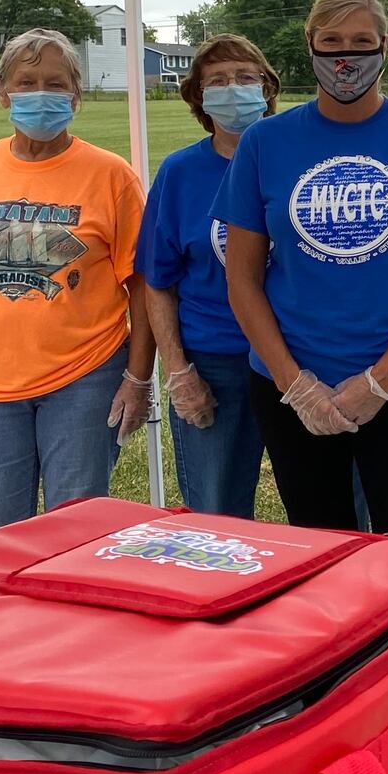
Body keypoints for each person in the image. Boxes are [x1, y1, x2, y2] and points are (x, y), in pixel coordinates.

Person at [212, 0, 388, 538]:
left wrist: (381, 380)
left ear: (384, 48)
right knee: (315, 536)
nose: (346, 56)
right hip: (292, 377)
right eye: (331, 40)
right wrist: (296, 385)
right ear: (309, 45)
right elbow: (241, 277)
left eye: (361, 42)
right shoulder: (265, 141)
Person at [0, 28, 154, 532]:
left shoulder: (111, 174)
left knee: (77, 526)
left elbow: (143, 286)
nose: (42, 93)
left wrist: (138, 377)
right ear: (3, 93)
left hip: (84, 377)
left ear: (76, 96)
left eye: (56, 84)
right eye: (27, 81)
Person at [137, 34, 280, 517]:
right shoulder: (180, 174)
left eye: (245, 77)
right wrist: (178, 372)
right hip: (216, 361)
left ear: (268, 88)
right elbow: (158, 281)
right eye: (217, 80)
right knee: (215, 511)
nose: (233, 88)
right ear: (198, 95)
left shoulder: (299, 161)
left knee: (330, 510)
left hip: (304, 357)